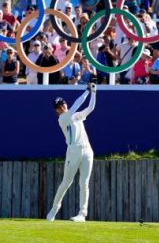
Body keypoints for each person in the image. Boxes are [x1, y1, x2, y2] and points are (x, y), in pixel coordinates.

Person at [47, 83, 97, 223]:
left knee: (84, 183)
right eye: (59, 107)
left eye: (62, 104)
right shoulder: (62, 119)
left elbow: (91, 108)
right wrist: (87, 91)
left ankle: (82, 214)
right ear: (57, 110)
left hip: (87, 150)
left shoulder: (76, 116)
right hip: (73, 151)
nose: (62, 107)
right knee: (66, 182)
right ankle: (54, 209)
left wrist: (94, 92)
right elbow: (76, 104)